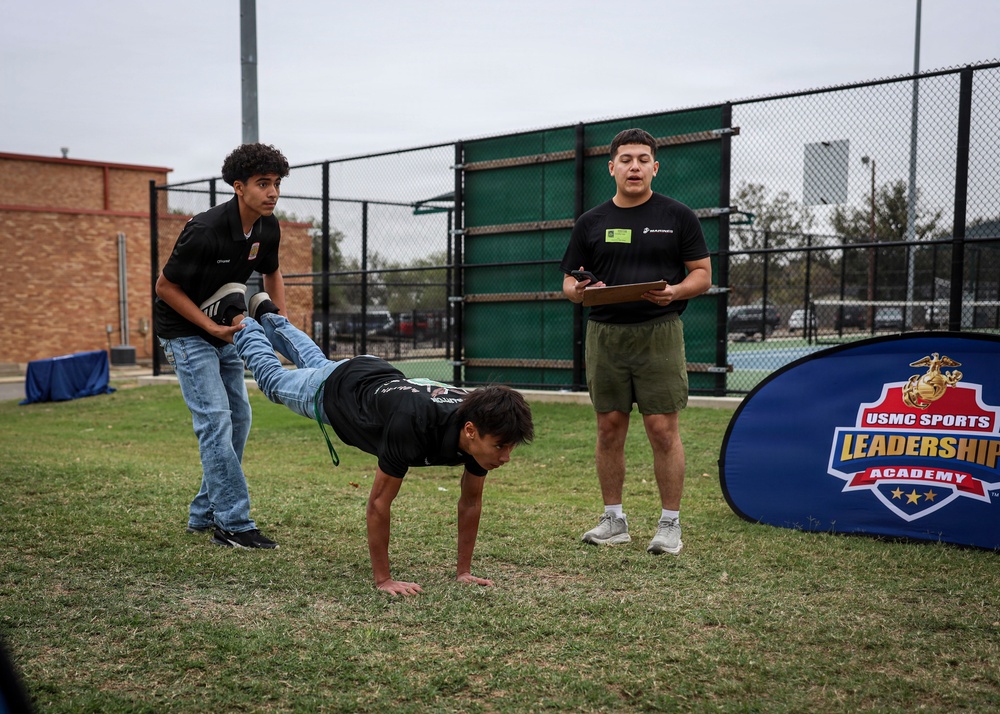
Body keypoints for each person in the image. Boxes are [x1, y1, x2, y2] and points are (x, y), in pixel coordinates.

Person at [228, 294, 534, 596]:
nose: (506, 457)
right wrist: (383, 580)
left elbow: (470, 503)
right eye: (499, 447)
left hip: (370, 371)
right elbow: (378, 504)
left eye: (510, 447)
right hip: (335, 393)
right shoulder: (414, 423)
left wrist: (464, 572)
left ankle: (269, 314)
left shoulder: (480, 422)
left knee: (320, 363)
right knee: (272, 381)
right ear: (470, 431)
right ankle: (241, 320)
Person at [559, 128, 712, 556]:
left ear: (654, 167)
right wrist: (580, 291)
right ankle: (614, 520)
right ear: (611, 168)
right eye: (626, 159)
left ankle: (670, 525)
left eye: (643, 159)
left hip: (659, 332)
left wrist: (676, 292)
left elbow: (702, 273)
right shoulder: (591, 222)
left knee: (662, 429)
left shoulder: (678, 216)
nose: (634, 166)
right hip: (604, 334)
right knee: (609, 428)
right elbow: (570, 280)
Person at [154, 143, 290, 549]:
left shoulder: (267, 227)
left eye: (277, 184)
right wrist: (209, 330)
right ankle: (232, 524)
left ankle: (203, 513)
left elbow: (272, 272)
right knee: (215, 420)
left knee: (239, 418)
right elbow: (165, 287)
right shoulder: (206, 230)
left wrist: (277, 321)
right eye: (263, 184)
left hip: (224, 328)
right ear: (238, 187)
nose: (272, 192)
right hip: (184, 329)